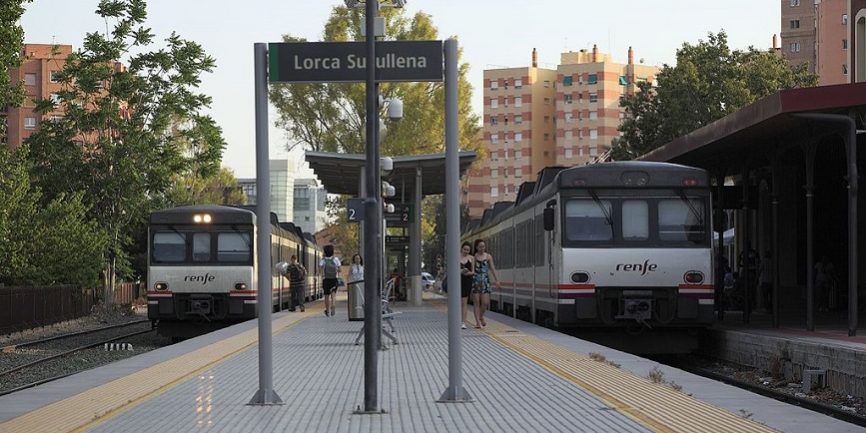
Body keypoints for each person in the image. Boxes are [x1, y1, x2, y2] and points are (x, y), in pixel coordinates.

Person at [472, 238, 501, 328]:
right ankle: (477, 322)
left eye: (483, 246)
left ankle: (480, 316)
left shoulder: (488, 256)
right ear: (476, 247)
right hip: (476, 281)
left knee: (485, 302)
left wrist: (497, 280)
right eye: (480, 247)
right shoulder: (474, 257)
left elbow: (492, 268)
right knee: (476, 302)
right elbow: (472, 270)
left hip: (485, 281)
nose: (482, 248)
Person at [319, 245, 341, 317]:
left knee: (326, 296)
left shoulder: (323, 260)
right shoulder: (336, 259)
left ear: (325, 252)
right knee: (333, 295)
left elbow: (320, 270)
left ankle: (327, 311)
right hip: (334, 279)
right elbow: (339, 270)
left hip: (326, 279)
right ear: (332, 252)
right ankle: (333, 305)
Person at [459, 242, 475, 330]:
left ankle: (463, 322)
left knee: (464, 302)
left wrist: (466, 272)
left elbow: (473, 272)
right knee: (458, 302)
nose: (466, 251)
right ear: (461, 249)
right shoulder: (456, 257)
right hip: (457, 281)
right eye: (464, 249)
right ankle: (457, 320)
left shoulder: (471, 258)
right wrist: (461, 271)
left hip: (467, 281)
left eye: (468, 250)